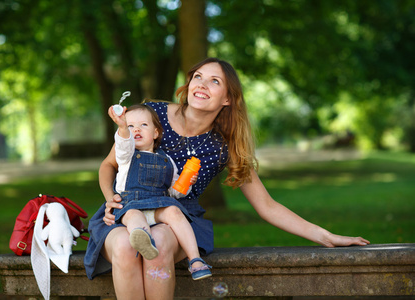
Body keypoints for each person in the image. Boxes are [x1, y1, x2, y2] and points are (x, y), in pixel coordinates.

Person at [84, 57, 370, 300]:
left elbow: (267, 206)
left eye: (214, 81)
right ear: (188, 85)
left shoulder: (224, 146)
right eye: (198, 77)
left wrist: (326, 236)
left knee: (155, 244)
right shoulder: (151, 115)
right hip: (126, 211)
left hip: (175, 220)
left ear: (228, 98)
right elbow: (109, 165)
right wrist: (112, 199)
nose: (202, 84)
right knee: (124, 246)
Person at [107, 103, 211, 280]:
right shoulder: (126, 155)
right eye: (131, 126)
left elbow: (174, 191)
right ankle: (144, 239)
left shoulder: (166, 159)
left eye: (143, 125)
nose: (136, 129)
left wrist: (186, 184)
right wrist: (122, 128)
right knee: (133, 216)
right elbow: (123, 144)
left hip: (158, 204)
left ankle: (195, 260)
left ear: (155, 133)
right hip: (131, 204)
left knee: (175, 211)